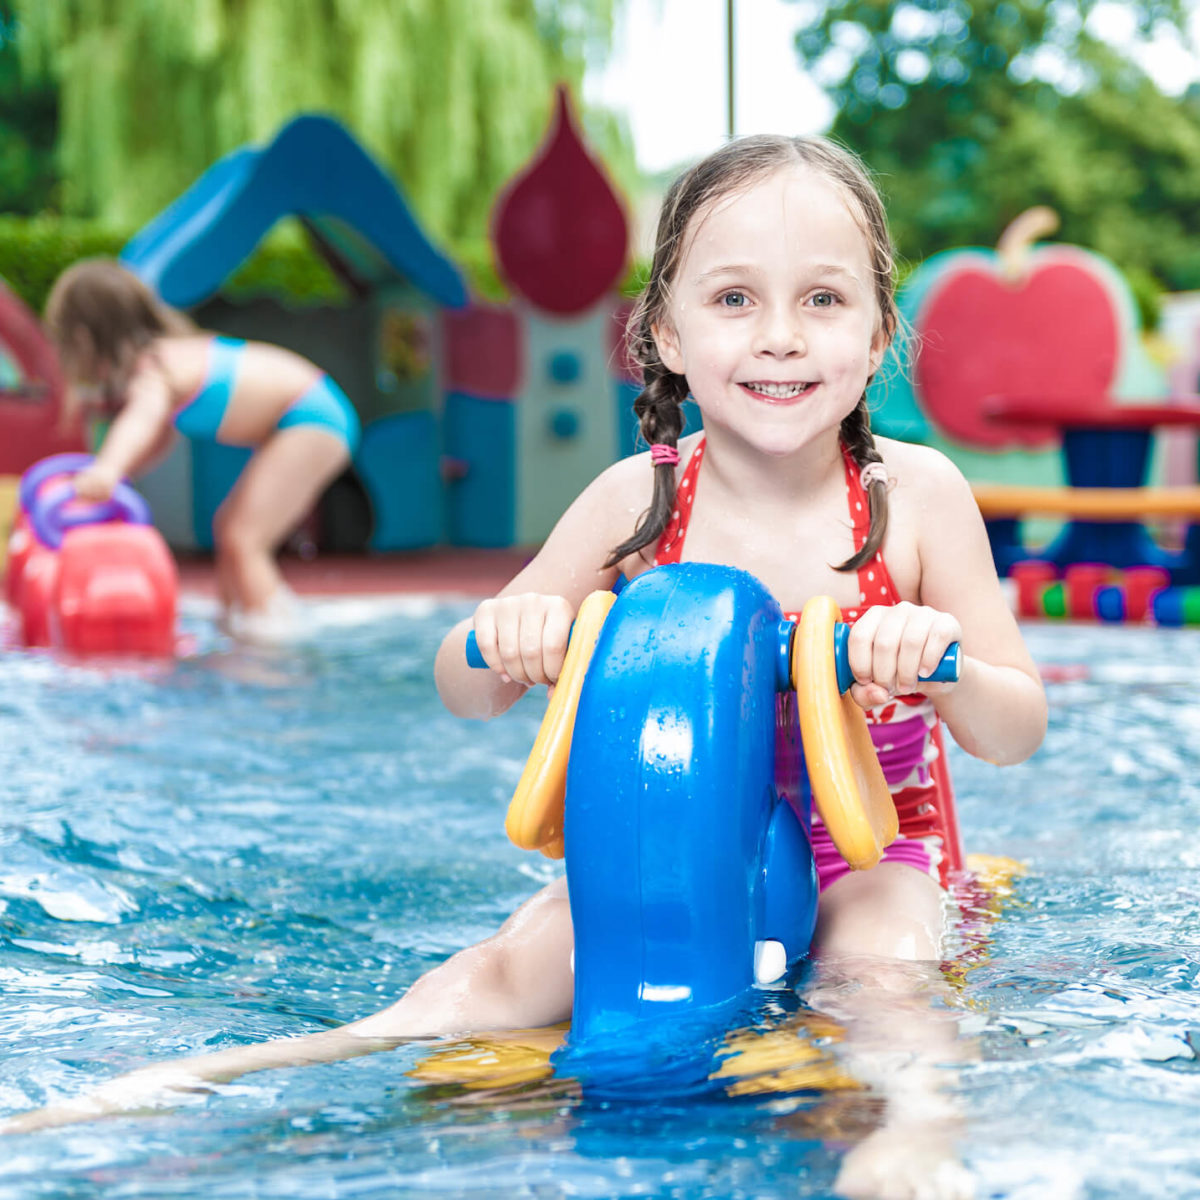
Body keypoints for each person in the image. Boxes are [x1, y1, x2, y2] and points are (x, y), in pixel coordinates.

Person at [10, 138, 1046, 1198]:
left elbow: (1016, 725)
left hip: (868, 855)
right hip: (666, 853)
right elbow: (462, 683)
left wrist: (937, 659)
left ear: (878, 335)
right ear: (664, 334)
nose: (779, 337)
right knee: (497, 976)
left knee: (885, 971)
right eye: (734, 298)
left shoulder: (910, 498)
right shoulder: (634, 502)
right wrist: (506, 638)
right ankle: (216, 1079)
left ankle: (915, 1132)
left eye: (822, 299)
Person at [43, 259, 361, 641]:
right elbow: (156, 438)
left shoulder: (155, 368)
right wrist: (111, 478)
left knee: (245, 538)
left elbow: (140, 422)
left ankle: (277, 644)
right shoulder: (170, 357)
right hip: (305, 414)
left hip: (309, 417)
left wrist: (106, 470)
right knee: (230, 528)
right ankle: (236, 626)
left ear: (84, 337)